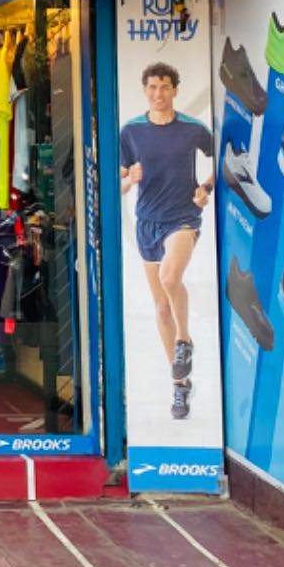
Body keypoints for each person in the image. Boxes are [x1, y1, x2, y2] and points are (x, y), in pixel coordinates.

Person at [118, 62, 214, 420]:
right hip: (147, 223)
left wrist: (205, 189)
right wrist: (129, 180)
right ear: (145, 90)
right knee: (160, 307)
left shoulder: (192, 129)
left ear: (175, 90)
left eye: (164, 87)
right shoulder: (131, 131)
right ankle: (180, 385)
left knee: (170, 278)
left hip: (183, 218)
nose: (158, 94)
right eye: (152, 87)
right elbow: (118, 183)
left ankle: (184, 340)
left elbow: (223, 159)